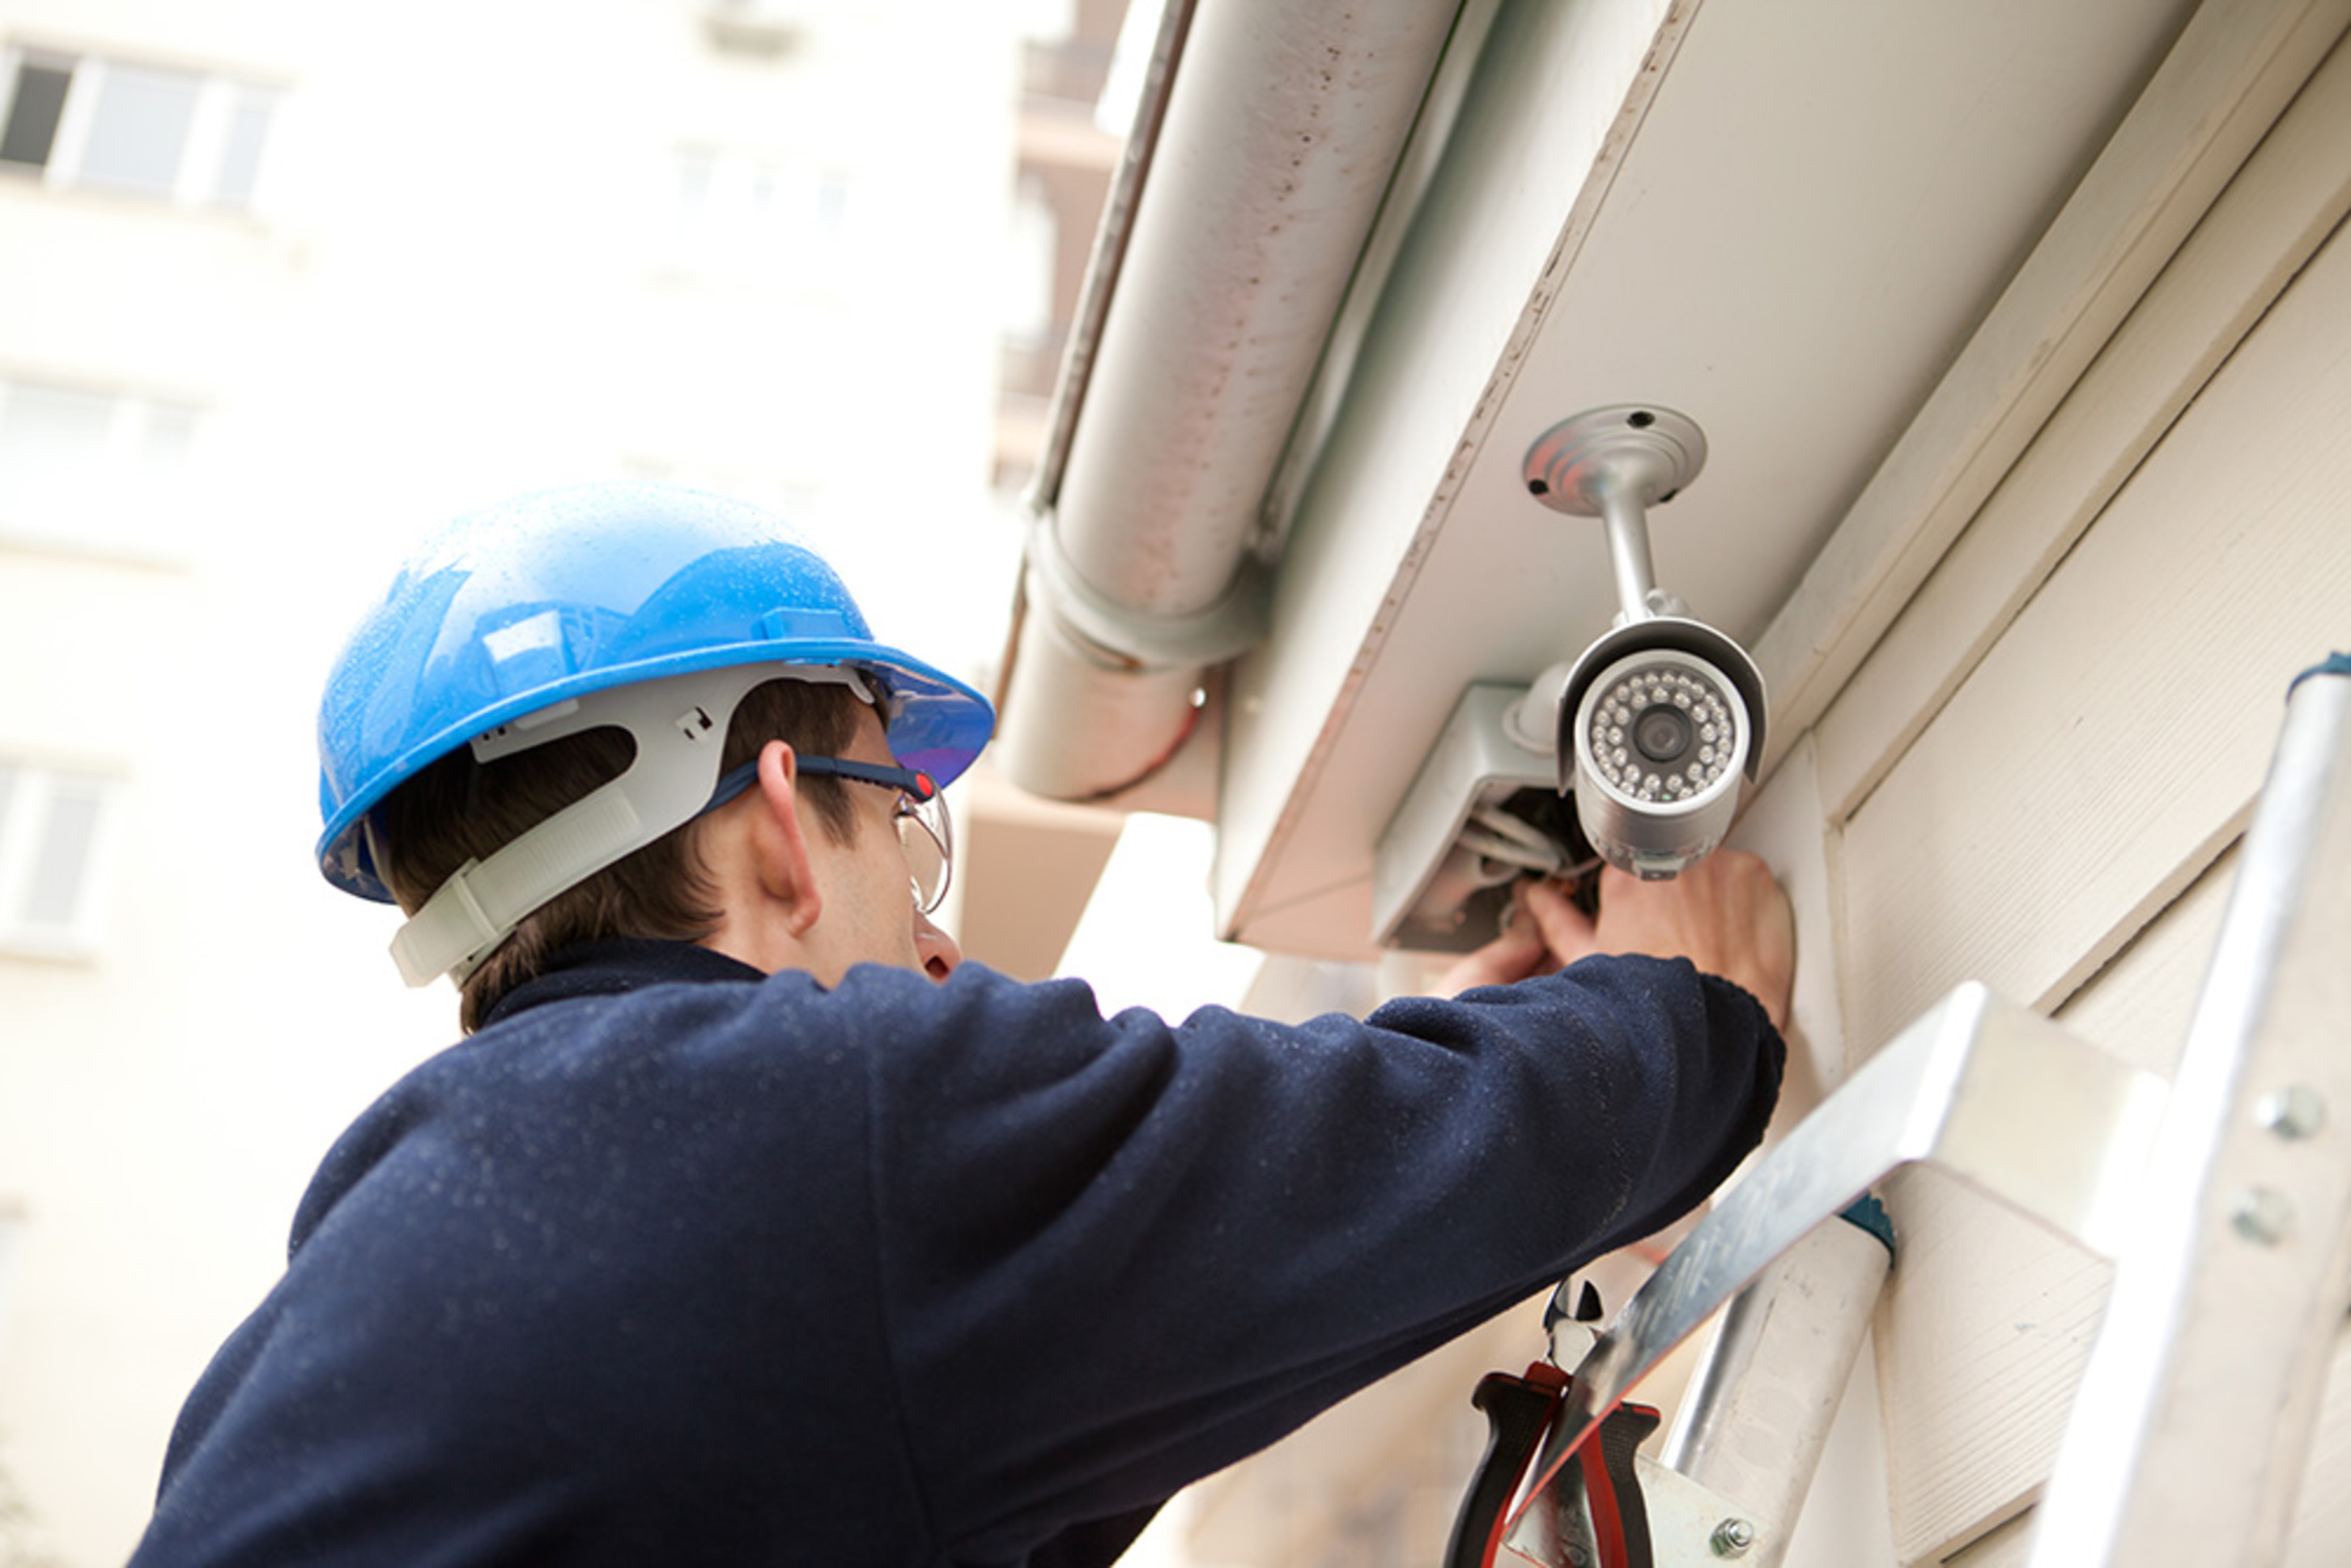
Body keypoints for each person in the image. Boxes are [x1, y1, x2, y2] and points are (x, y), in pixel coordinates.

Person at [130, 482, 1792, 1566]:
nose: (935, 944)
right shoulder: (806, 1120)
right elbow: (1344, 1173)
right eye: (900, 834)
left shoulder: (377, 1260)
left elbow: (1041, 1433)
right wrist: (1684, 1011)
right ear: (785, 821)